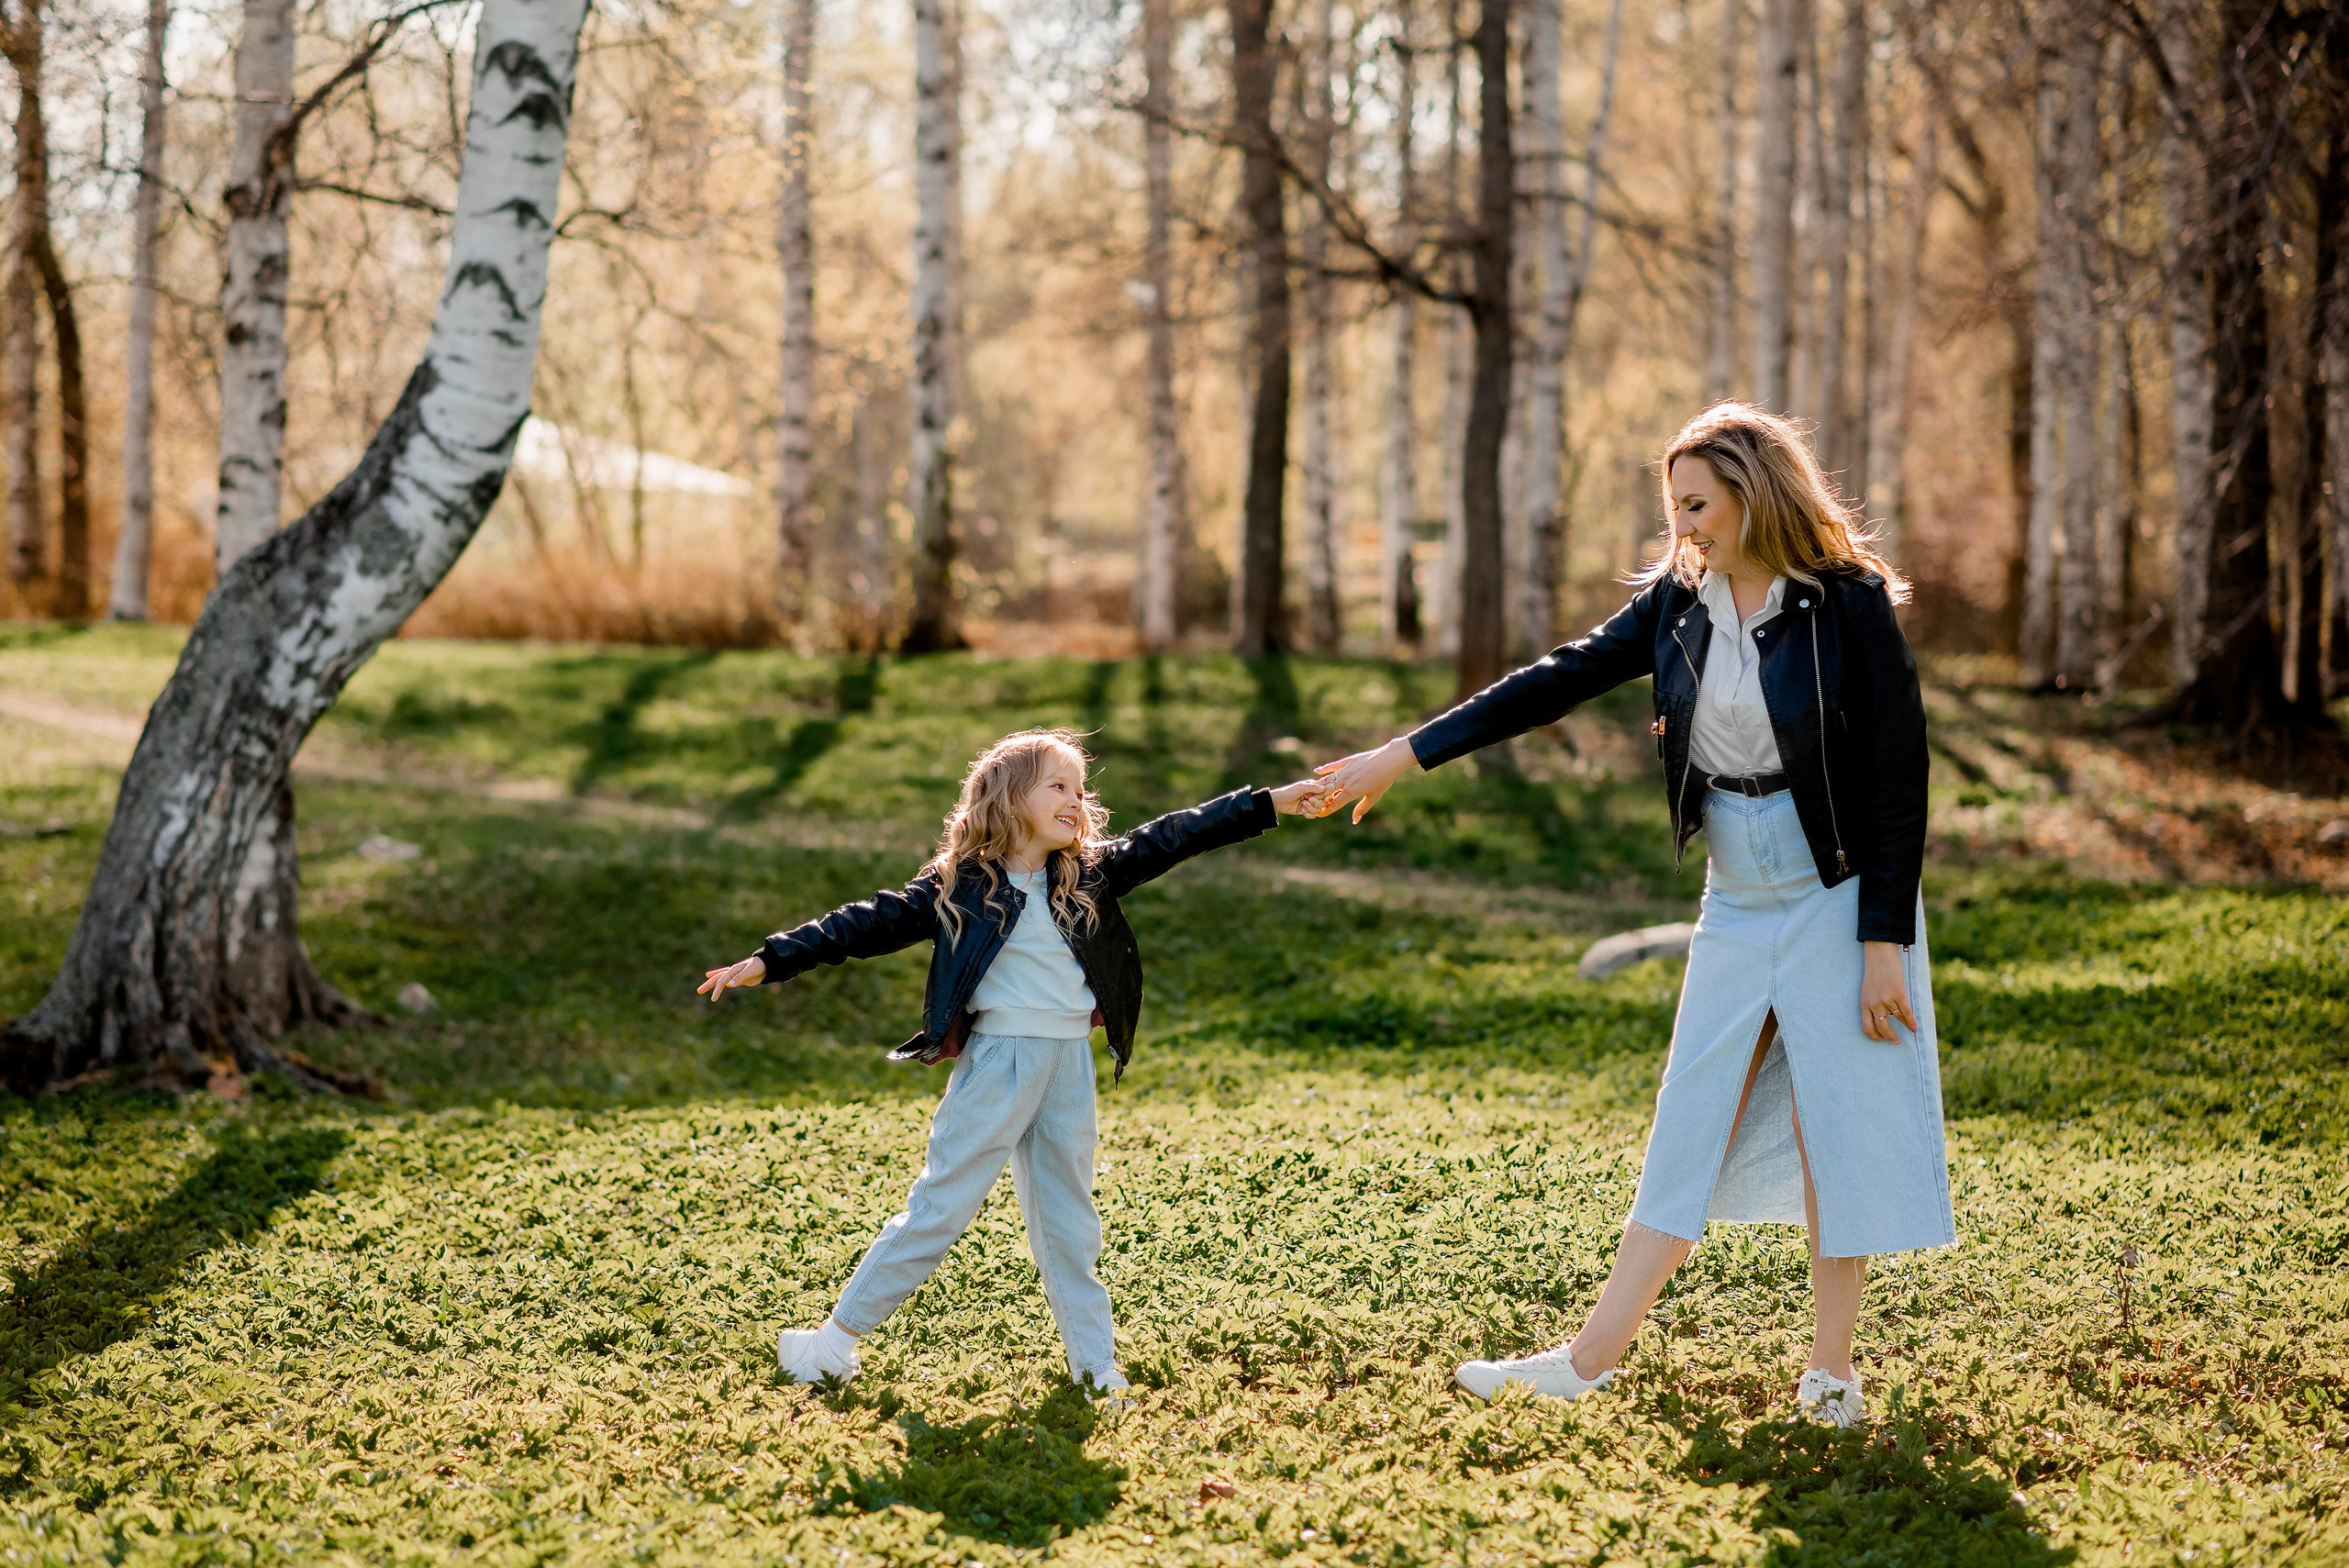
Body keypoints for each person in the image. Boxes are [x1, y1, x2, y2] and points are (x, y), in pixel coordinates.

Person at [1308, 403, 1951, 1427]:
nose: (1683, 526)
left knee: (1840, 1124)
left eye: (1697, 503)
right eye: (1674, 506)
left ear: (1755, 489)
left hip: (1836, 891)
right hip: (1735, 898)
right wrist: (1401, 753)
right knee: (1686, 1116)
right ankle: (1590, 1354)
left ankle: (1832, 1371)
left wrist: (1884, 942)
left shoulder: (1848, 605)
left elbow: (1894, 775)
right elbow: (1549, 683)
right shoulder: (1677, 603)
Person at [701, 728, 1322, 1398]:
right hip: (1001, 1063)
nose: (1076, 800)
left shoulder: (1089, 874)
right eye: (1058, 785)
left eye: (1081, 789)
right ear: (1009, 797)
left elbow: (1177, 833)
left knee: (1070, 1222)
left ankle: (1095, 1366)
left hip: (1067, 1066)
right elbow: (861, 924)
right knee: (940, 1208)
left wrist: (1271, 801)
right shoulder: (954, 888)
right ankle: (829, 1344)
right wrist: (773, 958)